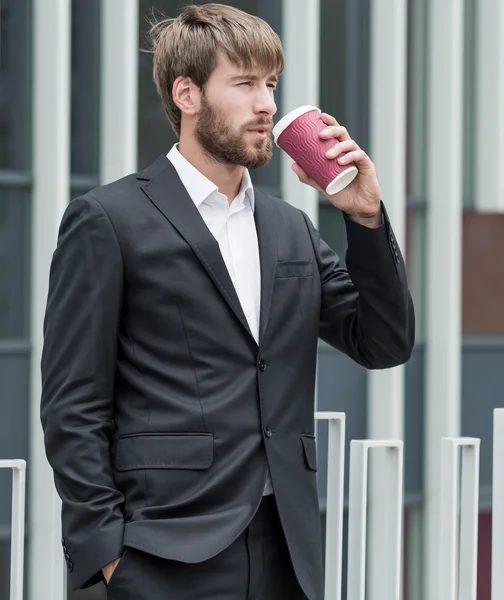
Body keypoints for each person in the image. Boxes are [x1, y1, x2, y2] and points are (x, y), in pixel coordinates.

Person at [40, 4, 414, 600]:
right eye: (244, 84)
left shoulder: (290, 226)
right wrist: (108, 554)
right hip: (162, 551)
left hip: (286, 549)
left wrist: (365, 218)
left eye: (270, 84)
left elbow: (382, 342)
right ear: (186, 94)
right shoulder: (109, 220)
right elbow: (73, 403)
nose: (266, 103)